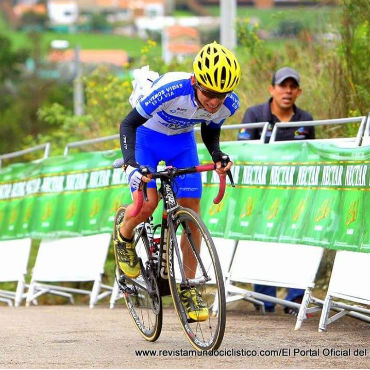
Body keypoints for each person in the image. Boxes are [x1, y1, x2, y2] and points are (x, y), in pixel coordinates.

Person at [114, 42, 241, 322]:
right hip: (146, 137)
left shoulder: (227, 104)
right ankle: (124, 236)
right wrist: (130, 164)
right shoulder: (171, 90)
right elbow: (127, 124)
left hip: (182, 143)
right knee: (148, 204)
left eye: (221, 95)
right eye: (208, 93)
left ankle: (189, 286)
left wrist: (217, 154)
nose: (214, 101)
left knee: (191, 212)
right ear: (195, 81)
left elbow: (210, 130)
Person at [238, 67, 314, 313]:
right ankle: (265, 301)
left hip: (295, 193)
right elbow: (243, 151)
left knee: (296, 243)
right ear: (272, 89)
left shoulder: (306, 120)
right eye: (283, 86)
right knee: (262, 243)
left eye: (293, 87)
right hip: (261, 193)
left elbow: (312, 156)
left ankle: (295, 299)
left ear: (298, 91)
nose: (288, 91)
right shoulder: (254, 114)